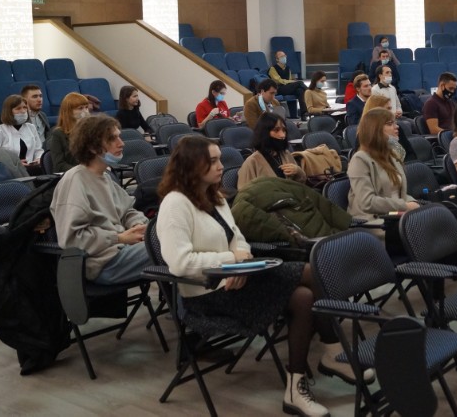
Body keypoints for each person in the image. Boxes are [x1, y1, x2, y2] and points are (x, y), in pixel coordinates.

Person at [156, 136, 358, 417]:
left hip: (239, 278)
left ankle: (299, 384)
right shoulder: (175, 205)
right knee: (308, 285)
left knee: (307, 288)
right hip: (207, 294)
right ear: (191, 165)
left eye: (219, 159)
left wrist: (240, 261)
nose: (221, 166)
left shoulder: (216, 197)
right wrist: (231, 261)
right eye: (212, 161)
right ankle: (332, 353)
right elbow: (180, 264)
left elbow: (239, 240)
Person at [50, 115, 149, 284]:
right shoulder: (74, 181)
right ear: (92, 147)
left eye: (119, 137)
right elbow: (72, 239)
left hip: (123, 249)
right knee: (169, 248)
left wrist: (138, 225)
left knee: (176, 242)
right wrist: (118, 238)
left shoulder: (105, 177)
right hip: (103, 262)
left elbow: (127, 211)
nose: (121, 143)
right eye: (112, 139)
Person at [346, 108, 420, 221]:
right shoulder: (360, 160)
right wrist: (405, 206)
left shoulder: (392, 155)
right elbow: (367, 202)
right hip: (373, 219)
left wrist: (413, 202)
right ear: (375, 129)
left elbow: (400, 194)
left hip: (397, 214)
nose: (396, 126)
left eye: (395, 123)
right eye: (390, 124)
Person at [238, 112, 306, 189]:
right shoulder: (252, 162)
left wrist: (298, 172)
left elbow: (300, 186)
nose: (282, 135)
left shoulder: (286, 154)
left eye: (284, 130)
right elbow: (244, 193)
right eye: (276, 130)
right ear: (264, 133)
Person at [0, 95, 44, 174]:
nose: (23, 111)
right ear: (9, 111)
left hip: (31, 169)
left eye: (25, 107)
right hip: (9, 171)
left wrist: (38, 158)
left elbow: (38, 150)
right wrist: (15, 163)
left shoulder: (31, 127)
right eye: (18, 108)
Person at [49, 92, 92, 174]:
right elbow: (59, 165)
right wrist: (82, 171)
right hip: (72, 175)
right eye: (80, 108)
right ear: (69, 112)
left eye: (86, 107)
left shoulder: (91, 131)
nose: (85, 111)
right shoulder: (58, 134)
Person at [363, 95, 414, 161]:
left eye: (390, 109)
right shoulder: (365, 135)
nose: (391, 112)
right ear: (376, 111)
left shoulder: (397, 128)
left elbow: (411, 154)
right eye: (388, 109)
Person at [268, 51, 307, 118]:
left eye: (284, 56)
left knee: (300, 90)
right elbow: (279, 81)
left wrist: (291, 82)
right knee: (300, 83)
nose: (284, 57)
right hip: (279, 89)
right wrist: (291, 81)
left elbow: (290, 80)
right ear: (277, 59)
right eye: (281, 56)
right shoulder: (272, 69)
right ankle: (311, 92)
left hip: (288, 88)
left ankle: (304, 114)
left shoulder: (288, 68)